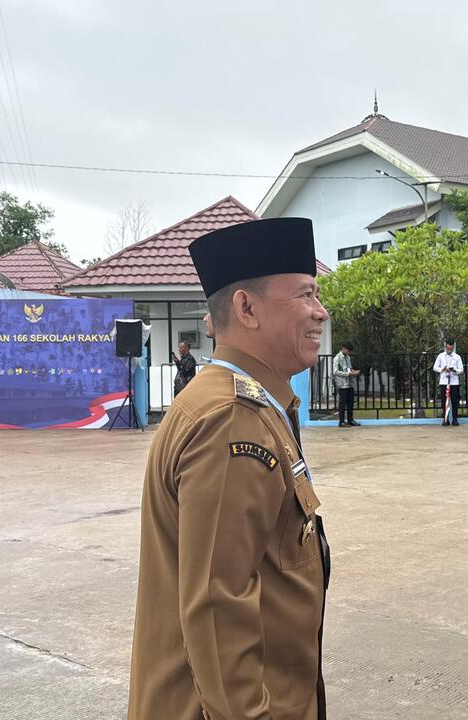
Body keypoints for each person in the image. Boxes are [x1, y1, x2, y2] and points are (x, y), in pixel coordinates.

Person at [128, 217, 331, 720]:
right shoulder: (231, 420)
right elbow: (219, 606)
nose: (320, 312)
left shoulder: (249, 403)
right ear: (246, 308)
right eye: (305, 295)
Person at [433, 339, 464, 426]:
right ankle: (445, 419)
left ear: (453, 347)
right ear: (445, 347)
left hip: (454, 382)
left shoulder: (457, 357)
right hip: (444, 381)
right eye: (448, 349)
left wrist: (455, 370)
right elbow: (435, 367)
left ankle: (455, 419)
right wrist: (441, 369)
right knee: (444, 401)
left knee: (455, 401)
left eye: (451, 349)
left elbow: (461, 369)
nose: (449, 350)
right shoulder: (441, 356)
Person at [333, 342, 361, 427]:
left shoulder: (348, 357)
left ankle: (350, 420)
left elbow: (349, 368)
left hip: (350, 383)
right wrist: (347, 374)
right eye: (348, 351)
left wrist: (353, 372)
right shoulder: (337, 358)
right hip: (342, 384)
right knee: (342, 403)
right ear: (344, 348)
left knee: (350, 402)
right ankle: (341, 421)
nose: (349, 353)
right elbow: (335, 371)